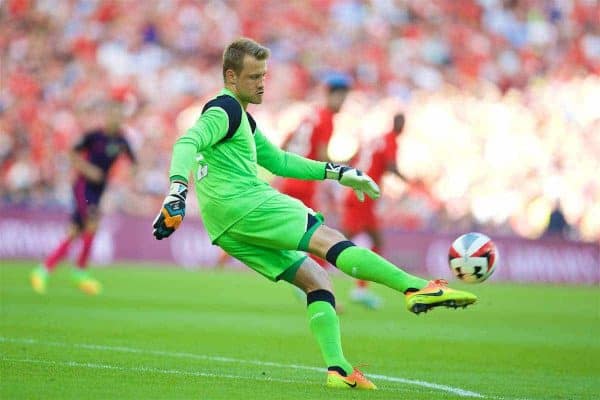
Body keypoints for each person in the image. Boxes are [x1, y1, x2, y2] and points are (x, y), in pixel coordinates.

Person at [152, 38, 477, 390]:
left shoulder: (242, 118)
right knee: (329, 241)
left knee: (315, 280)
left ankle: (337, 369)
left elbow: (279, 161)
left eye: (264, 75)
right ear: (231, 77)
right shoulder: (224, 110)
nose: (261, 83)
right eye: (253, 77)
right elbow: (186, 142)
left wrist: (338, 171)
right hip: (247, 204)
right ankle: (416, 287)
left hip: (223, 225)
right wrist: (176, 191)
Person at [30, 104, 136, 295]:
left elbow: (133, 162)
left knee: (74, 232)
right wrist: (88, 169)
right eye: (112, 115)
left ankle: (43, 270)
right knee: (92, 222)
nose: (115, 120)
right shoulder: (94, 136)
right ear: (107, 117)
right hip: (83, 186)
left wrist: (127, 179)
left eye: (119, 117)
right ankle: (80, 271)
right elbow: (72, 152)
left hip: (99, 189)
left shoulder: (121, 140)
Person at [340, 113, 410, 310]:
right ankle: (312, 273)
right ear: (398, 125)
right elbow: (391, 166)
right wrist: (408, 182)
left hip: (361, 195)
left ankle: (361, 289)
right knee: (337, 241)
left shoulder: (375, 140)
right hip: (362, 196)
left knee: (374, 241)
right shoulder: (390, 140)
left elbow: (353, 160)